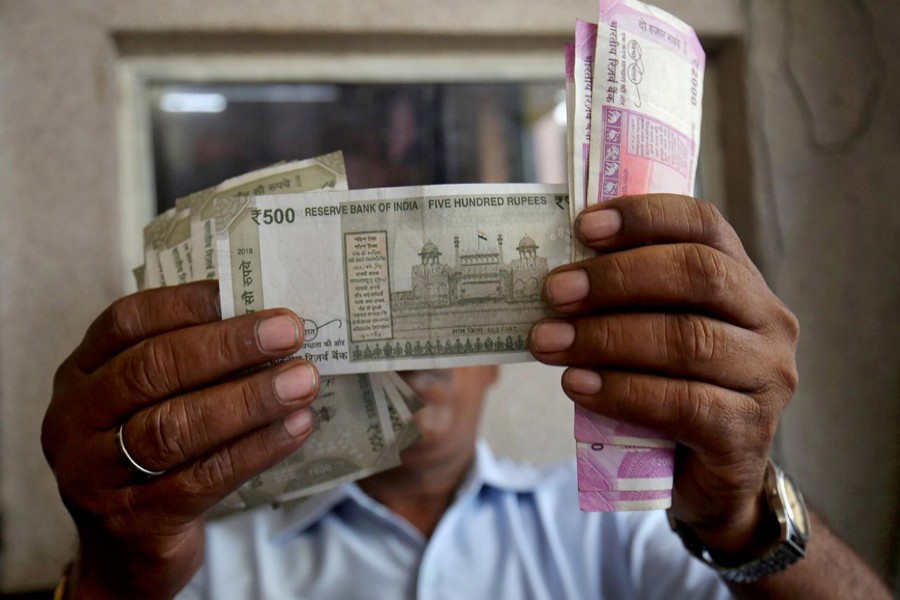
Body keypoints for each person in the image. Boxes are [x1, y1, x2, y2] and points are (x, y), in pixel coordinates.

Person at [42, 196, 891, 599]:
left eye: (447, 329)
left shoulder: (617, 529)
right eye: (390, 332)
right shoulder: (203, 567)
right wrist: (115, 581)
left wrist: (740, 516)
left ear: (497, 359)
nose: (418, 365)